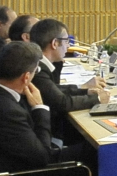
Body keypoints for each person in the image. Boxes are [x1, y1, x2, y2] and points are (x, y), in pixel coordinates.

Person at [0, 39, 72, 176]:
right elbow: (44, 157)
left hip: (13, 157)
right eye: (35, 71)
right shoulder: (6, 111)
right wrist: (39, 108)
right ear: (26, 77)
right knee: (93, 150)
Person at [28, 19, 100, 155]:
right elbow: (62, 102)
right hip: (49, 138)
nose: (68, 46)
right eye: (67, 41)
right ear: (55, 43)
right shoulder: (37, 69)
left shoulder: (41, 65)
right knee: (96, 147)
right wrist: (97, 98)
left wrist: (85, 91)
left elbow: (54, 88)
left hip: (48, 130)